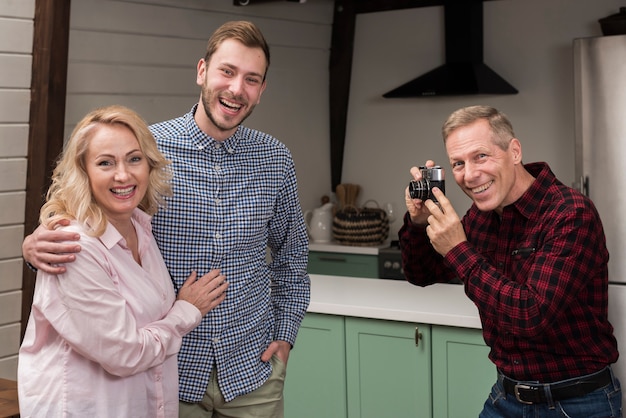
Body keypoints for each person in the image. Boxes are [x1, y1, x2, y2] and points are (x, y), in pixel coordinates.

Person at [22, 21, 311, 417]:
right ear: (202, 71)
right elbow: (89, 208)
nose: (236, 88)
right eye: (227, 71)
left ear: (261, 91)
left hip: (253, 369)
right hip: (169, 373)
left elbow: (293, 253)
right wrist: (36, 240)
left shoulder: (275, 159)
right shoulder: (145, 150)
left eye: (252, 79)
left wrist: (286, 336)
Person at [399, 105, 621, 417]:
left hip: (576, 402)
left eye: (481, 156)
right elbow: (421, 273)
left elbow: (531, 315)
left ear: (514, 151)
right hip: (506, 397)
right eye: (458, 164)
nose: (470, 174)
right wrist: (420, 223)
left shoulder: (570, 213)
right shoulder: (480, 218)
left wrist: (458, 248)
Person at [18, 105, 228, 417]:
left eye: (134, 159)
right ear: (83, 172)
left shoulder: (140, 228)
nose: (123, 174)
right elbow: (125, 353)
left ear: (149, 164)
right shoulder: (74, 246)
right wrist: (186, 311)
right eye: (105, 163)